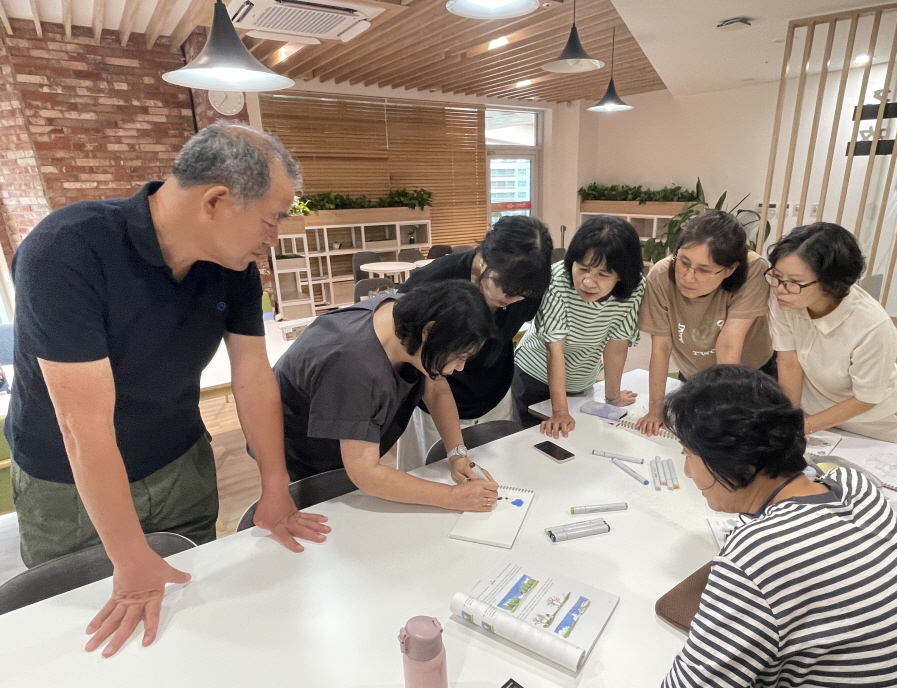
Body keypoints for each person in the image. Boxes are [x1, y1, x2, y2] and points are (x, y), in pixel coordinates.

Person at [6, 123, 330, 657]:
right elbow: (82, 427)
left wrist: (276, 486)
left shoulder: (233, 266)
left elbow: (253, 378)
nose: (273, 237)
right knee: (84, 637)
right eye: (271, 218)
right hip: (69, 486)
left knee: (188, 615)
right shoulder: (66, 249)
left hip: (180, 462)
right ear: (216, 201)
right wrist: (129, 557)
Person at [658, 364, 897, 688]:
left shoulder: (759, 554)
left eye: (688, 454)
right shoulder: (857, 489)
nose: (687, 472)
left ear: (733, 459)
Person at [274, 280, 501, 511]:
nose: (460, 367)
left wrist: (457, 454)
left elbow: (436, 388)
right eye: (459, 357)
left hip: (344, 424)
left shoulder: (411, 317)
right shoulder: (355, 365)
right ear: (428, 333)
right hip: (301, 446)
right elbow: (365, 472)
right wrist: (453, 496)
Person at [395, 216, 552, 471]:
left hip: (494, 396)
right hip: (433, 402)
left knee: (500, 474)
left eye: (521, 295)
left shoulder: (528, 286)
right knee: (431, 477)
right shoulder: (433, 284)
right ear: (483, 259)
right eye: (505, 288)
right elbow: (417, 365)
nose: (512, 299)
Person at [767, 222, 897, 443]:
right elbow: (789, 363)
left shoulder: (872, 326)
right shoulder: (786, 300)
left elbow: (866, 398)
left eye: (795, 282)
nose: (780, 288)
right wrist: (790, 420)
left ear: (831, 283)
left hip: (874, 425)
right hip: (815, 415)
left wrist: (803, 427)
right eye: (777, 276)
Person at [635, 209, 774, 436]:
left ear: (729, 270)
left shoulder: (753, 269)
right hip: (695, 374)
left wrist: (724, 412)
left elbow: (729, 342)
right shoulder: (661, 275)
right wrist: (656, 410)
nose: (688, 277)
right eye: (684, 262)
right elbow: (661, 348)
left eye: (703, 270)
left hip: (750, 374)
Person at [512, 215, 645, 436]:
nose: (588, 282)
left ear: (622, 276)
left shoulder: (634, 290)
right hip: (535, 377)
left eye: (603, 274)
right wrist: (560, 411)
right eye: (582, 268)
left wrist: (613, 398)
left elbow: (616, 346)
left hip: (582, 381)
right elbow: (554, 350)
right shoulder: (557, 281)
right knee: (537, 443)